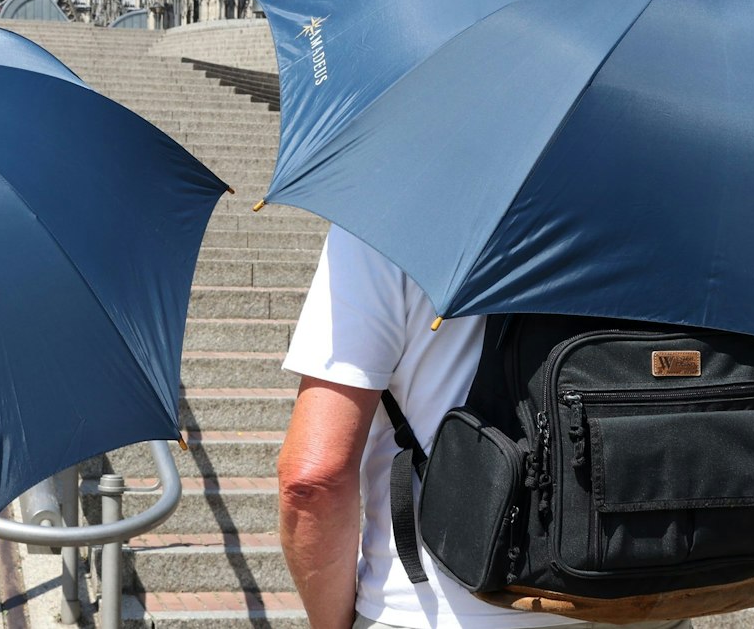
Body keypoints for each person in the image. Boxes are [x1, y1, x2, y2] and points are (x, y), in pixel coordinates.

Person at [278, 225, 689, 629]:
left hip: (441, 607)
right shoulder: (667, 203)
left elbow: (312, 478)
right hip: (646, 591)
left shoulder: (385, 220)